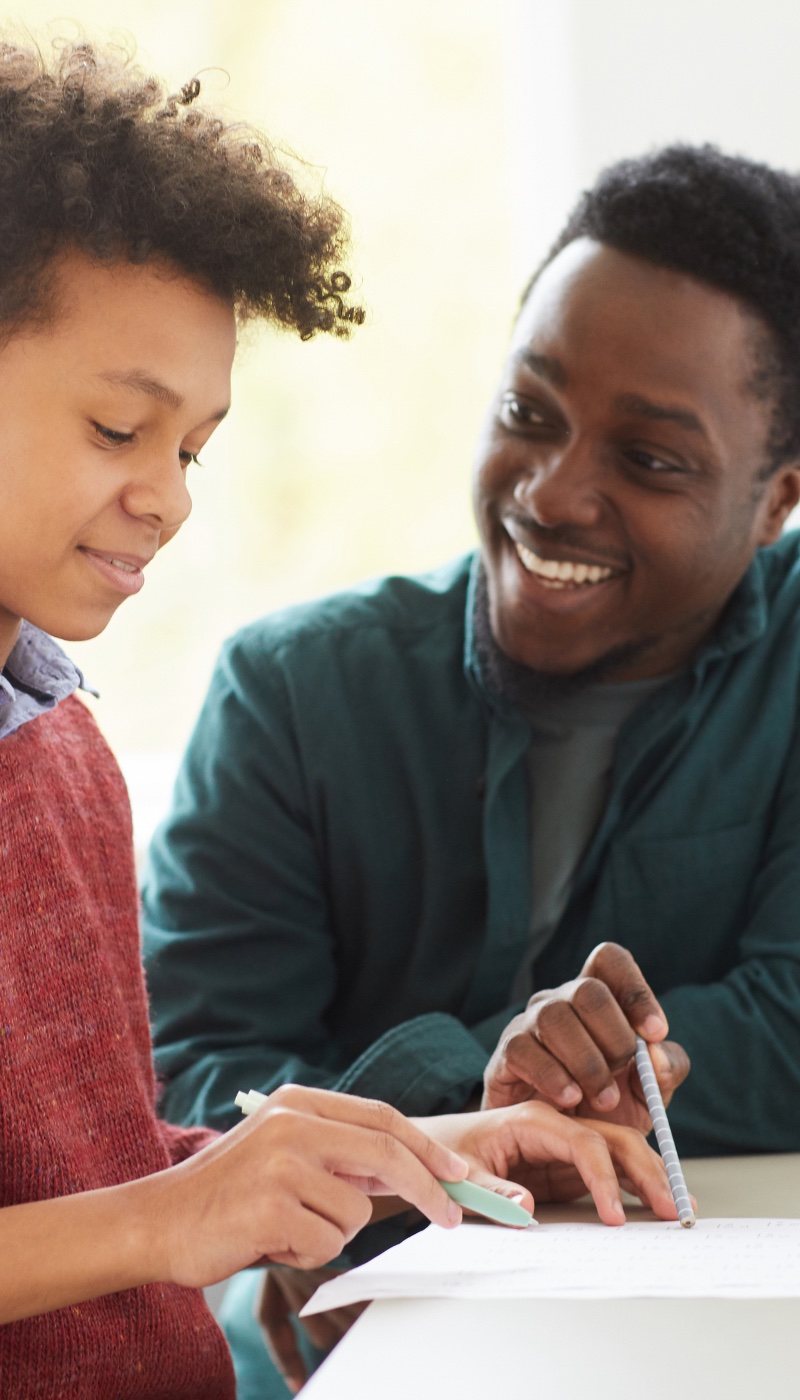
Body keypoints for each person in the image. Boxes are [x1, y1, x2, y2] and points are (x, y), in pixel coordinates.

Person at [0, 35, 677, 1399]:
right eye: (119, 432)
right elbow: (127, 1226)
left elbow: (82, 1200)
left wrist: (414, 1164)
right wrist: (170, 1215)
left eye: (192, 448)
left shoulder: (58, 744)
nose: (171, 498)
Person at [142, 142, 800, 1393]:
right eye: (526, 414)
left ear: (774, 502)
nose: (551, 495)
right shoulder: (291, 692)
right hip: (334, 1353)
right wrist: (475, 1089)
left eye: (648, 459)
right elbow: (190, 1082)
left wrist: (490, 1092)